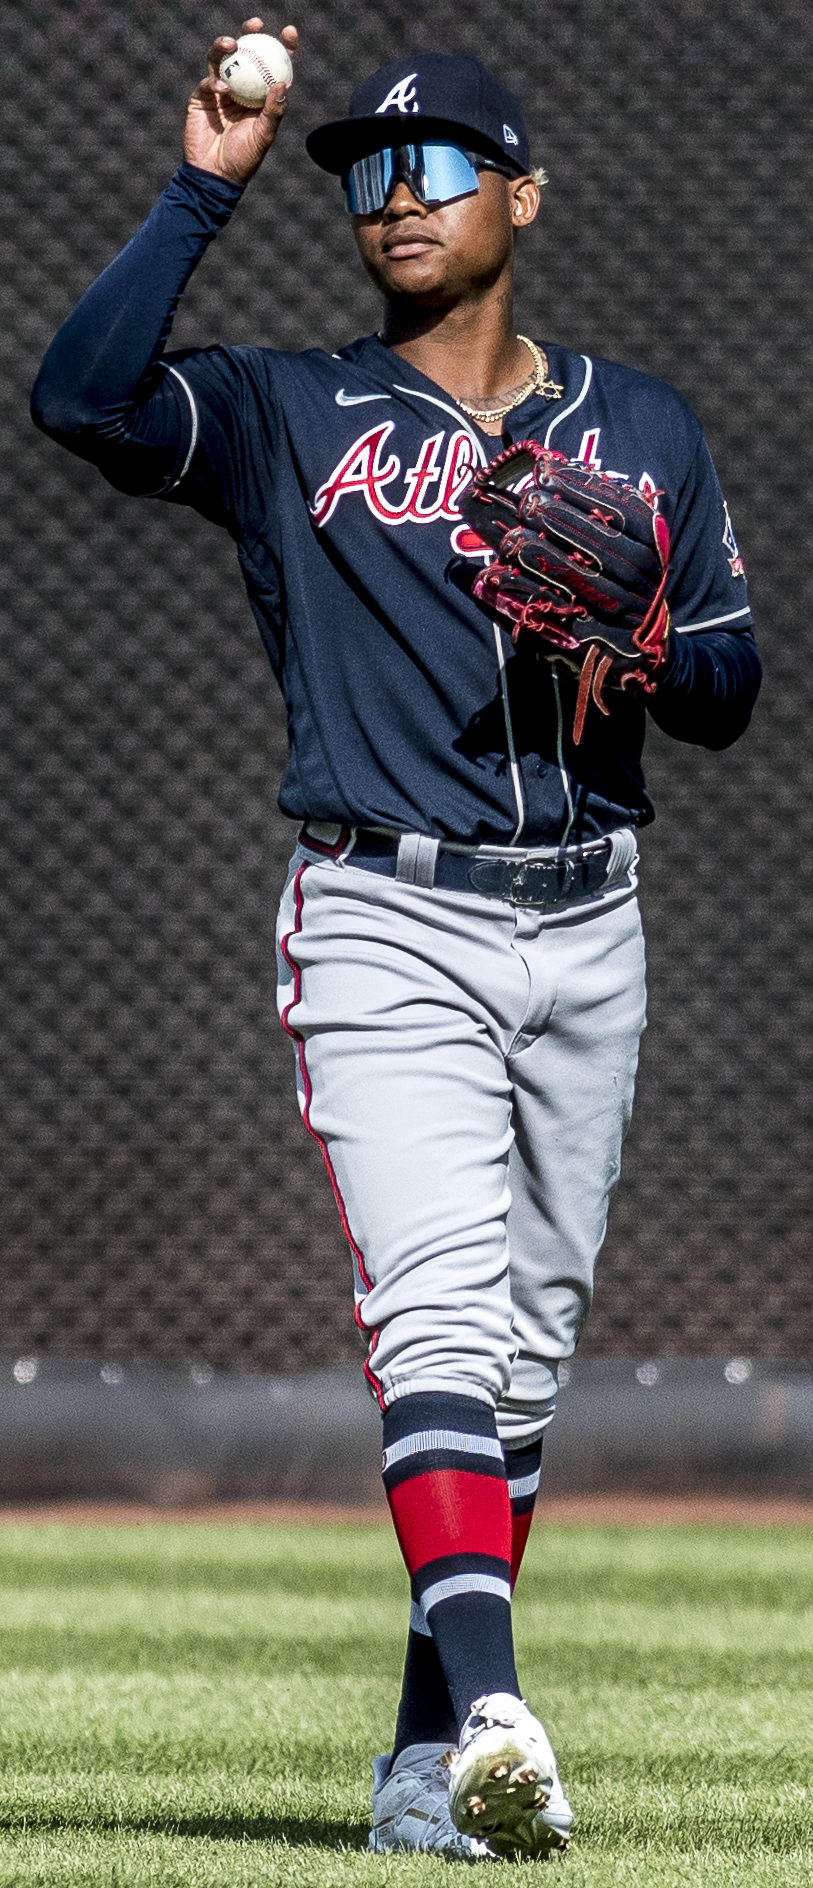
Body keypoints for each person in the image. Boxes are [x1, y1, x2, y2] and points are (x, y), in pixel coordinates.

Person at [31, 19, 761, 1862]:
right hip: (384, 915)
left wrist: (650, 648)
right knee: (432, 1311)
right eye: (367, 172)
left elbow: (733, 688)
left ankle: (426, 1758)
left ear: (522, 195)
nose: (395, 195)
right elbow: (85, 399)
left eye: (436, 166)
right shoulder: (295, 412)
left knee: (524, 1351)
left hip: (591, 920)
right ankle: (505, 1708)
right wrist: (205, 185)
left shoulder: (641, 422)